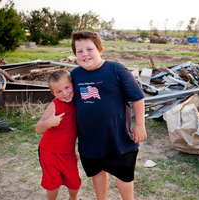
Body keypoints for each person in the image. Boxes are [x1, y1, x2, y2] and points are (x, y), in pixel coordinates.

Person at [70, 31, 147, 200]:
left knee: (124, 175)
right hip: (89, 138)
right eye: (79, 51)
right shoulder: (75, 75)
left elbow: (137, 98)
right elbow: (66, 100)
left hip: (117, 137)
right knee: (97, 173)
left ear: (100, 49)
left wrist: (140, 125)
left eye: (89, 49)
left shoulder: (116, 69)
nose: (85, 54)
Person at [35, 70, 81, 200]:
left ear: (73, 84)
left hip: (68, 153)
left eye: (67, 87)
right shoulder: (55, 105)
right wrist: (49, 122)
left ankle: (73, 198)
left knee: (74, 181)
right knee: (52, 182)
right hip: (49, 152)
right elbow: (39, 128)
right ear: (53, 93)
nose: (65, 93)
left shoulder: (77, 103)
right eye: (59, 91)